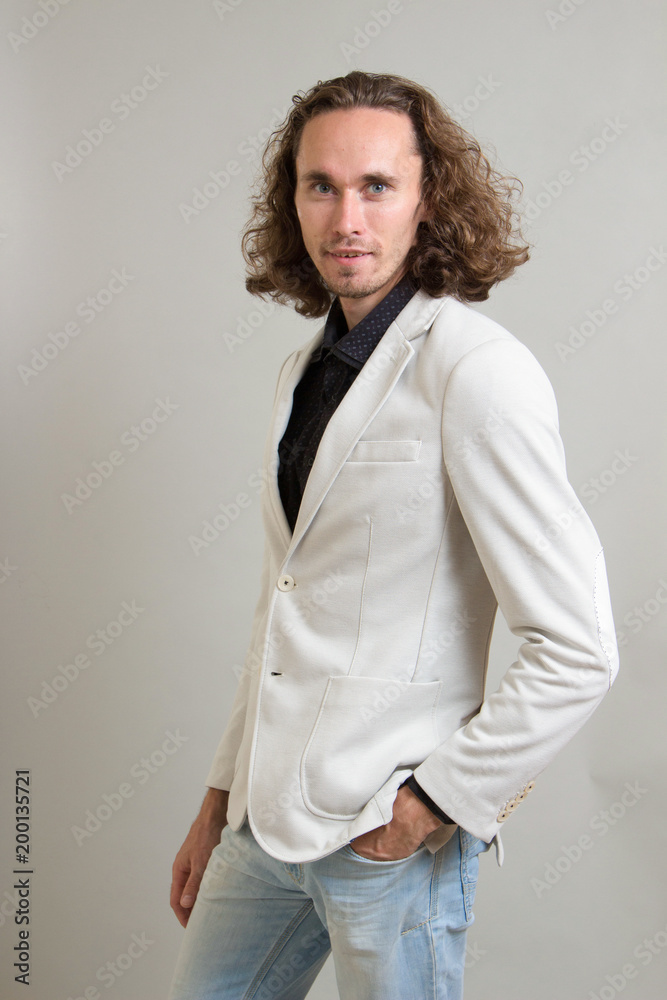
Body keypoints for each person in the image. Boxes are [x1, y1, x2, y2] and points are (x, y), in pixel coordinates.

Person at [167, 70, 619, 1000]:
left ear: (427, 200)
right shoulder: (304, 370)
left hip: (383, 834)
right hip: (264, 824)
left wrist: (431, 811)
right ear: (290, 200)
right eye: (319, 186)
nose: (346, 219)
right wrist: (220, 797)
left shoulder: (477, 370)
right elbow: (284, 603)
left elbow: (577, 647)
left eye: (376, 186)